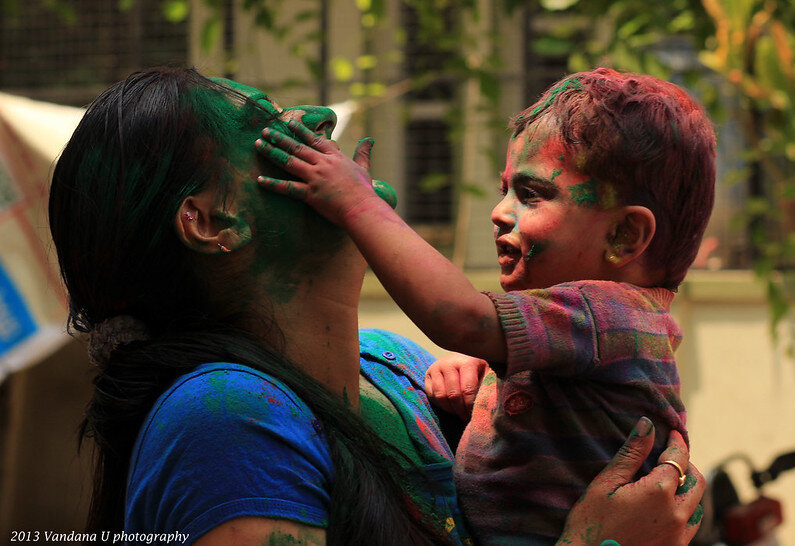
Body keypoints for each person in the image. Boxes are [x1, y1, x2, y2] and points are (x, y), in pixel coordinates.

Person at [49, 67, 704, 545]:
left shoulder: (397, 367)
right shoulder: (228, 419)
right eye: (267, 127)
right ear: (213, 222)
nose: (321, 123)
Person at [253, 67, 714, 544]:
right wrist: (490, 366)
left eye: (532, 195)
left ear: (624, 235)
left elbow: (460, 317)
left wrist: (357, 204)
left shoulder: (613, 315)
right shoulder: (597, 329)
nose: (499, 212)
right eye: (505, 190)